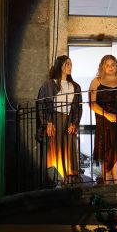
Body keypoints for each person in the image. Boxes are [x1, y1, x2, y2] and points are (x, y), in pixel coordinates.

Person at [35, 55, 83, 186]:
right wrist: (47, 122)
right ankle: (54, 178)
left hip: (68, 121)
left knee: (69, 148)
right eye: (67, 64)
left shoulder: (76, 86)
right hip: (54, 120)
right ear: (59, 66)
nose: (70, 67)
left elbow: (78, 107)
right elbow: (42, 104)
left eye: (71, 64)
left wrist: (74, 123)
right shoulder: (49, 85)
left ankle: (69, 177)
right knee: (53, 149)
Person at [89, 55, 117, 184]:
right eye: (107, 65)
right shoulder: (96, 81)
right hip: (104, 121)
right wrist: (107, 114)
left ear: (116, 65)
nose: (110, 67)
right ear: (102, 66)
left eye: (112, 64)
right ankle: (107, 185)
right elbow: (92, 104)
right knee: (106, 152)